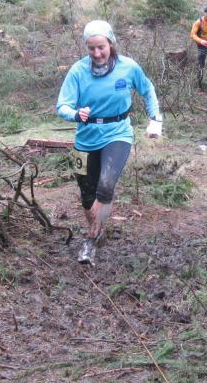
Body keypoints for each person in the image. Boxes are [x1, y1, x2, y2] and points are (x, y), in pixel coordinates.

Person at [56, 20, 163, 264]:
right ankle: (97, 229)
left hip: (118, 133)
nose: (96, 53)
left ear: (111, 43)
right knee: (87, 195)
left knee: (105, 187)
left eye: (101, 47)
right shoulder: (78, 71)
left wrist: (155, 118)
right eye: (91, 48)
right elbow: (62, 105)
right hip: (85, 139)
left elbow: (147, 90)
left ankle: (91, 239)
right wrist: (75, 114)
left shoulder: (128, 67)